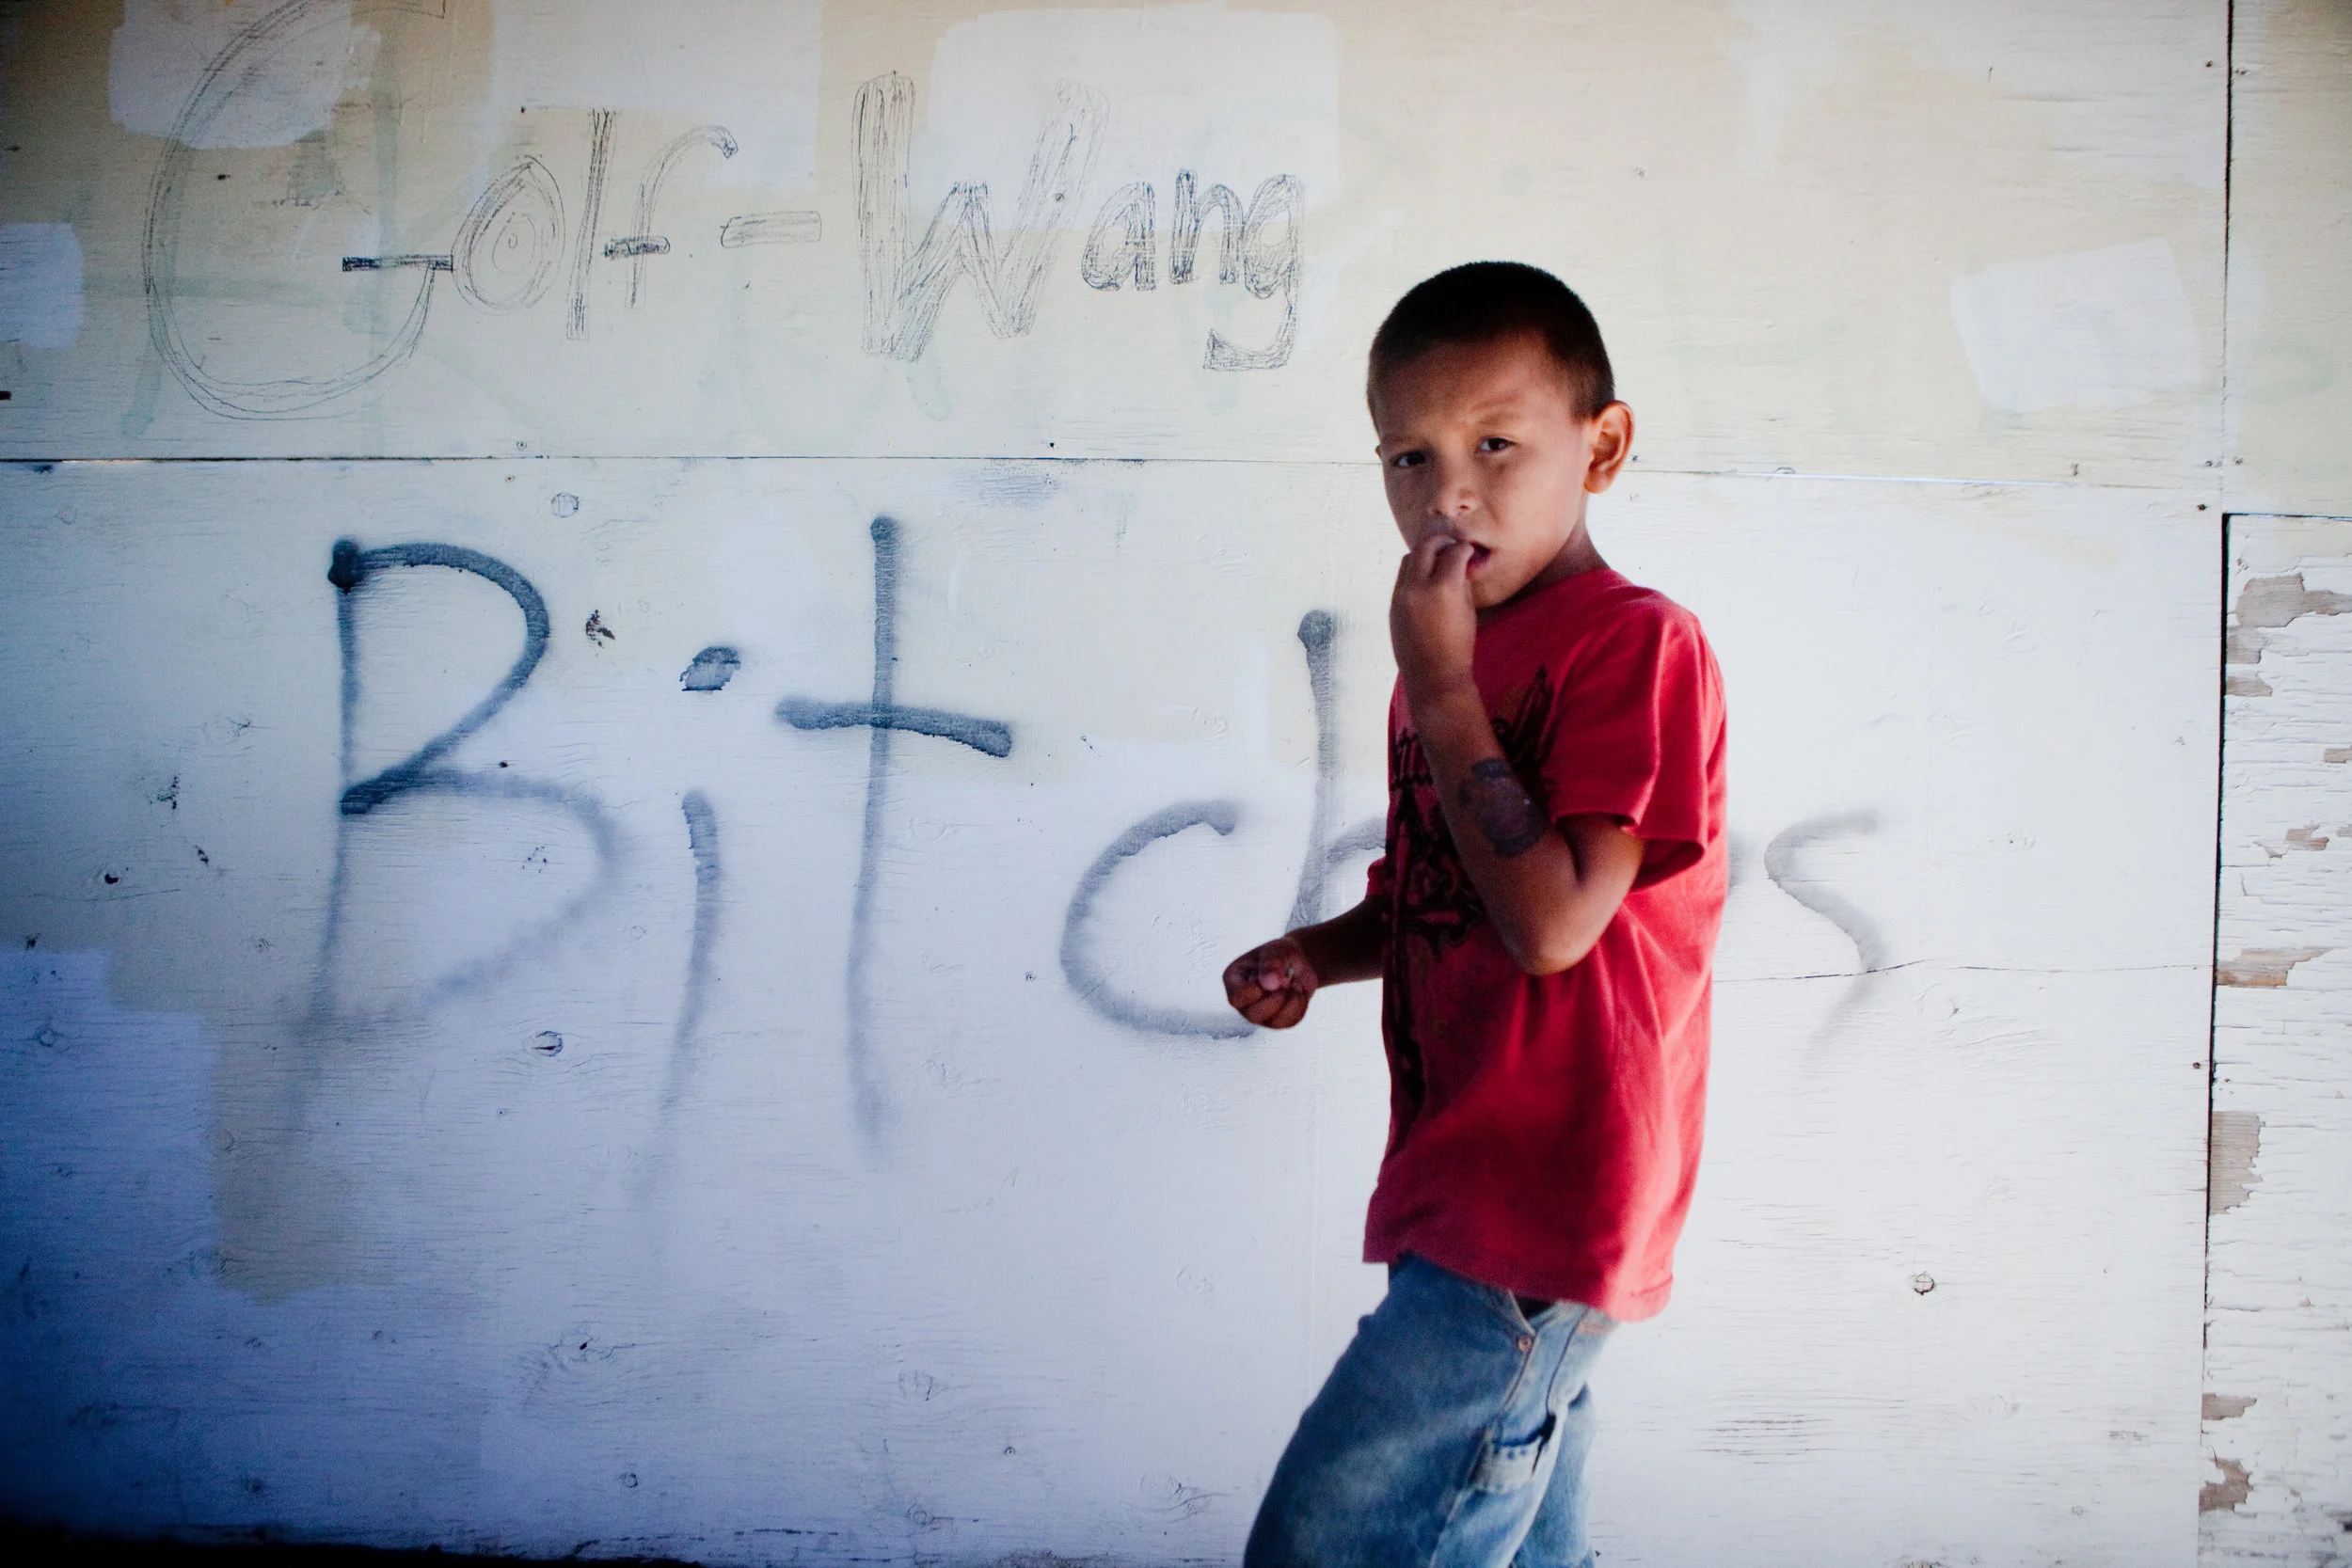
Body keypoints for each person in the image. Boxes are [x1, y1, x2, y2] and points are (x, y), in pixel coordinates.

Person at [1223, 261, 1728, 1568]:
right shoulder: (1440, 667)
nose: (1446, 491)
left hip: (1547, 1196)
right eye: (1407, 455)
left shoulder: (1635, 646)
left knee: (1335, 1542)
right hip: (1463, 1177)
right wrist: (1317, 954)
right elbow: (1434, 896)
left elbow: (1554, 920)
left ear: (1602, 446)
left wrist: (1443, 685)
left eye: (1495, 444)